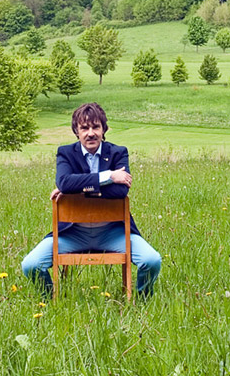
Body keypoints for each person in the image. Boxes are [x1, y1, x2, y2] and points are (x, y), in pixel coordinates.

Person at [22, 102, 161, 297]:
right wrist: (109, 177)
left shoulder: (118, 152)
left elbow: (120, 192)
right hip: (72, 233)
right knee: (31, 265)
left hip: (112, 232)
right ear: (76, 132)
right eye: (84, 128)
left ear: (104, 129)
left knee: (152, 260)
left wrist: (76, 190)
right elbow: (64, 183)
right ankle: (48, 300)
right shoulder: (66, 153)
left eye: (96, 127)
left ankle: (143, 301)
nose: (90, 133)